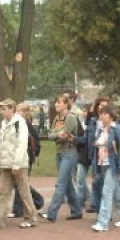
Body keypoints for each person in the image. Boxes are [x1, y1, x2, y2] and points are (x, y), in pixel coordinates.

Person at [0, 99, 36, 229]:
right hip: (5, 163)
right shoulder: (3, 124)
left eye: (4, 109)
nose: (2, 111)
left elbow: (22, 145)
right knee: (3, 192)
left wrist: (16, 164)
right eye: (1, 109)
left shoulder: (20, 123)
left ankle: (31, 218)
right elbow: (0, 146)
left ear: (11, 109)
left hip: (18, 164)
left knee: (24, 192)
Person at [90, 105, 120, 231]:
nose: (101, 116)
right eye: (100, 114)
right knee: (116, 192)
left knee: (107, 192)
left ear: (111, 115)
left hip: (113, 164)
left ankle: (103, 223)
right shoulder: (101, 129)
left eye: (104, 113)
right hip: (103, 163)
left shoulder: (119, 129)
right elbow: (96, 143)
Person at [42, 94, 82, 222]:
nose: (56, 105)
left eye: (59, 103)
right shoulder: (57, 118)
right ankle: (76, 211)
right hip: (59, 153)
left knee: (60, 183)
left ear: (66, 104)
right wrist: (57, 134)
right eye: (56, 103)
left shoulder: (70, 118)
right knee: (67, 183)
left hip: (69, 153)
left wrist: (57, 134)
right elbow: (50, 135)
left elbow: (64, 135)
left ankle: (51, 213)